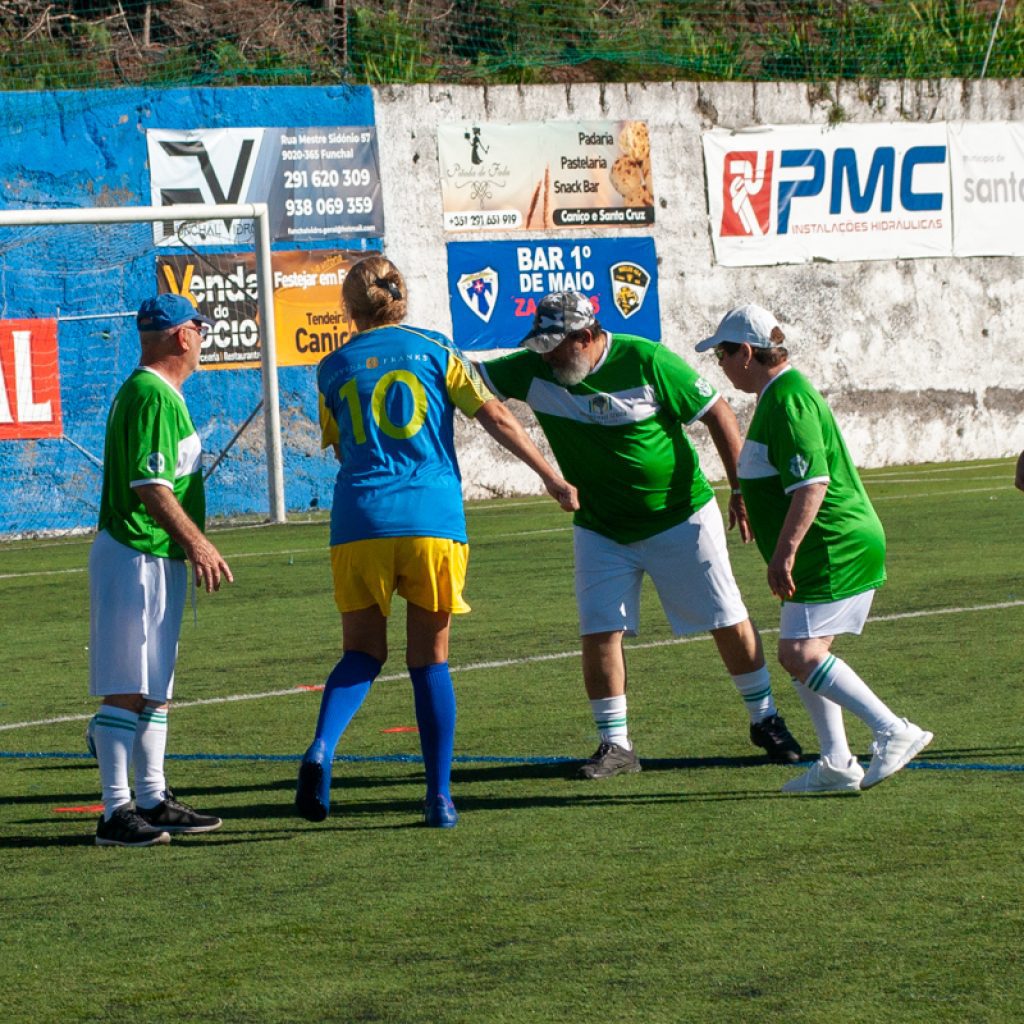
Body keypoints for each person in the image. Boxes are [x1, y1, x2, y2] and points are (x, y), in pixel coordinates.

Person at [294, 256, 578, 829]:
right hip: (431, 520)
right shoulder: (437, 349)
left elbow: (343, 446)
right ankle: (439, 797)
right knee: (430, 660)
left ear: (349, 309)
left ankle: (322, 747)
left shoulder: (332, 367)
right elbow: (494, 415)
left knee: (361, 653)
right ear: (402, 298)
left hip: (359, 522)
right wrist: (549, 475)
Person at [477, 291, 802, 779]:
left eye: (555, 346)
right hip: (601, 527)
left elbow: (718, 413)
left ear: (586, 337)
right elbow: (464, 379)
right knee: (599, 629)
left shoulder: (647, 358)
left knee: (727, 616)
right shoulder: (531, 368)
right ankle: (615, 745)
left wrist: (740, 488)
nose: (545, 357)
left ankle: (765, 718)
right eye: (539, 347)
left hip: (681, 517)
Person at [697, 303, 932, 793]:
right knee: (809, 653)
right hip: (823, 544)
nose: (719, 363)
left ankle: (894, 730)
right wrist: (746, 498)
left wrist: (784, 552)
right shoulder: (777, 396)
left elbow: (813, 483)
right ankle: (837, 763)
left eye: (721, 353)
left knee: (800, 653)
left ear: (746, 352)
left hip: (831, 543)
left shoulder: (788, 398)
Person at [87, 293, 232, 846]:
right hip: (134, 552)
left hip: (154, 554)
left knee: (155, 688)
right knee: (127, 686)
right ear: (181, 336)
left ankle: (150, 797)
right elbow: (150, 487)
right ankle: (114, 812)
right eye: (198, 327)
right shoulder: (151, 393)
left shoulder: (161, 393)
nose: (201, 337)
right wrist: (198, 543)